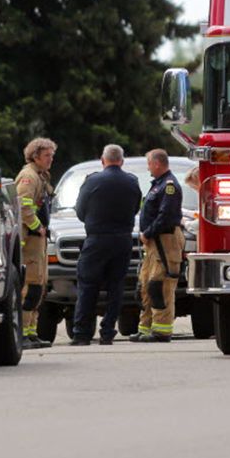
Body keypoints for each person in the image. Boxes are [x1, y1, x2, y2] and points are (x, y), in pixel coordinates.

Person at [70, 144, 142, 346]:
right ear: (122, 161)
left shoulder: (92, 181)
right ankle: (108, 332)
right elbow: (136, 207)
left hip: (97, 239)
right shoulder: (132, 182)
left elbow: (80, 211)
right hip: (122, 239)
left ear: (103, 160)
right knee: (116, 286)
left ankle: (82, 333)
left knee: (87, 285)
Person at [131, 149, 184, 343]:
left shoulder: (169, 186)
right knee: (145, 285)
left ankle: (162, 331)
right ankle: (145, 328)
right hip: (154, 243)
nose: (148, 167)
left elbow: (166, 216)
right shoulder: (158, 185)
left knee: (160, 285)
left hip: (165, 241)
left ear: (157, 163)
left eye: (149, 163)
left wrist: (148, 232)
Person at [16, 137, 57, 348]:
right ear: (35, 156)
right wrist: (36, 226)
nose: (51, 159)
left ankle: (31, 332)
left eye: (52, 155)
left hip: (38, 241)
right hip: (30, 240)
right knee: (30, 286)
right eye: (47, 155)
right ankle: (21, 333)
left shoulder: (40, 176)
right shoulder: (28, 177)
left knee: (39, 286)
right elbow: (23, 205)